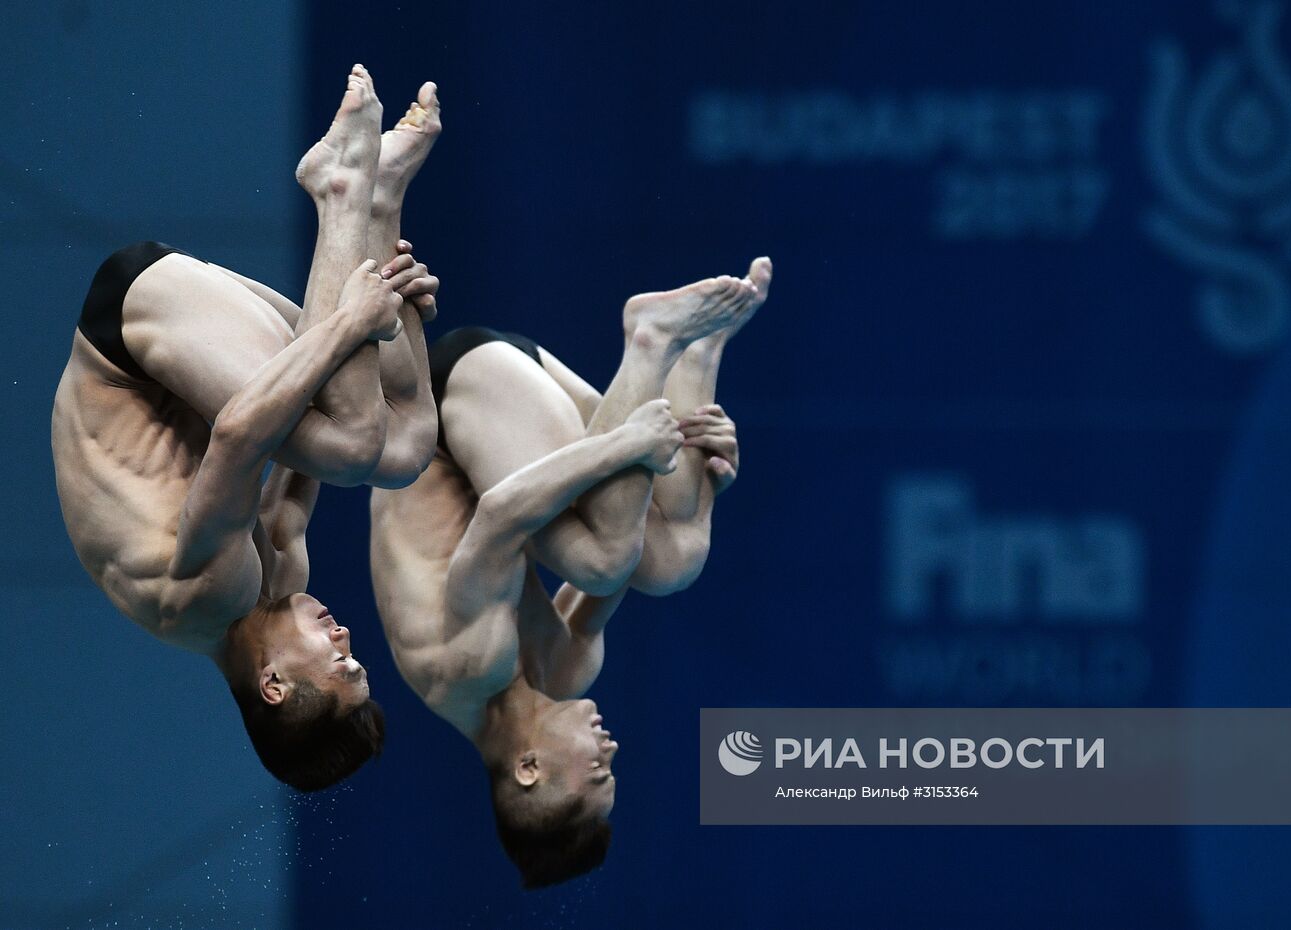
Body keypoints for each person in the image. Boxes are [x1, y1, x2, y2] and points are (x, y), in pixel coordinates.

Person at [51, 65, 442, 791]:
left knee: (355, 442)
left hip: (128, 335)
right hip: (180, 348)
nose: (348, 641)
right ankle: (378, 205)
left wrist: (358, 319)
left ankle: (341, 190)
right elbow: (312, 438)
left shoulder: (206, 598)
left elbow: (238, 434)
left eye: (342, 665)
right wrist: (393, 308)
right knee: (405, 446)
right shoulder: (279, 579)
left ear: (273, 686)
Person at [370, 258, 771, 885]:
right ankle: (695, 356)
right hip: (522, 416)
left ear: (529, 768)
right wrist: (701, 481)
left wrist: (629, 445)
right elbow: (636, 541)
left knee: (601, 558)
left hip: (458, 396)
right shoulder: (566, 670)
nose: (612, 750)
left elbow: (501, 516)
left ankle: (652, 340)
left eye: (599, 770)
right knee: (674, 560)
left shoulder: (459, 666)